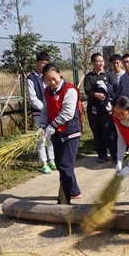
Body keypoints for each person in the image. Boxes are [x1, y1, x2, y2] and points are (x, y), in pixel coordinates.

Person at [40, 64, 83, 204]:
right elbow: (45, 111)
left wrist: (52, 125)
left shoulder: (69, 90)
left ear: (59, 74)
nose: (52, 82)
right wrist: (43, 126)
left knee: (65, 166)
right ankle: (74, 191)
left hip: (70, 131)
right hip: (56, 132)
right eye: (48, 80)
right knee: (61, 164)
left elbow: (67, 113)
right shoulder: (48, 91)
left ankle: (64, 202)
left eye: (54, 78)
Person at [84, 53, 118, 163]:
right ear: (93, 63)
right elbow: (87, 90)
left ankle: (115, 154)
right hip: (94, 109)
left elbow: (115, 89)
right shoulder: (89, 77)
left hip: (107, 109)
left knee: (109, 132)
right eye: (98, 61)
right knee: (97, 132)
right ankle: (102, 155)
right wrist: (96, 94)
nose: (100, 63)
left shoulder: (108, 75)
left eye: (102, 61)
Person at [26, 51, 56, 174]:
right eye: (41, 62)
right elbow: (33, 98)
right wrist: (44, 108)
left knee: (51, 136)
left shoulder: (49, 76)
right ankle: (44, 163)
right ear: (36, 62)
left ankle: (52, 160)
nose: (43, 65)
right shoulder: (31, 78)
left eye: (46, 63)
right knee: (41, 137)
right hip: (39, 113)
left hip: (52, 111)